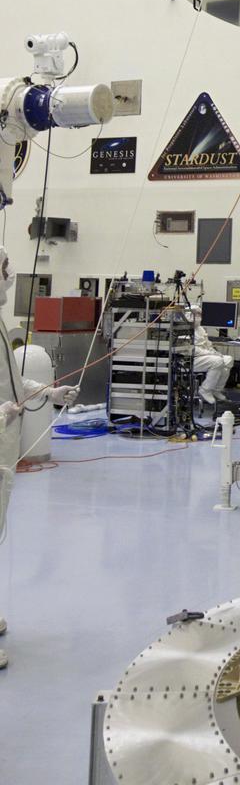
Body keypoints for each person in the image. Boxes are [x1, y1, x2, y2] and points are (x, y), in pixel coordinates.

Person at [0, 246, 78, 670]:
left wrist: (50, 392)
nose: (10, 277)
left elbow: (11, 379)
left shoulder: (1, 324)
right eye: (4, 269)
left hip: (4, 443)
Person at [187, 306, 233, 405]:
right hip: (191, 360)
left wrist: (215, 352)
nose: (198, 316)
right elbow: (192, 350)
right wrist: (211, 354)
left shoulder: (200, 329)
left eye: (199, 314)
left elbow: (207, 344)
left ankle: (216, 389)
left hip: (205, 357)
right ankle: (205, 390)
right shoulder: (184, 329)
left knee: (228, 360)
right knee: (217, 361)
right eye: (196, 314)